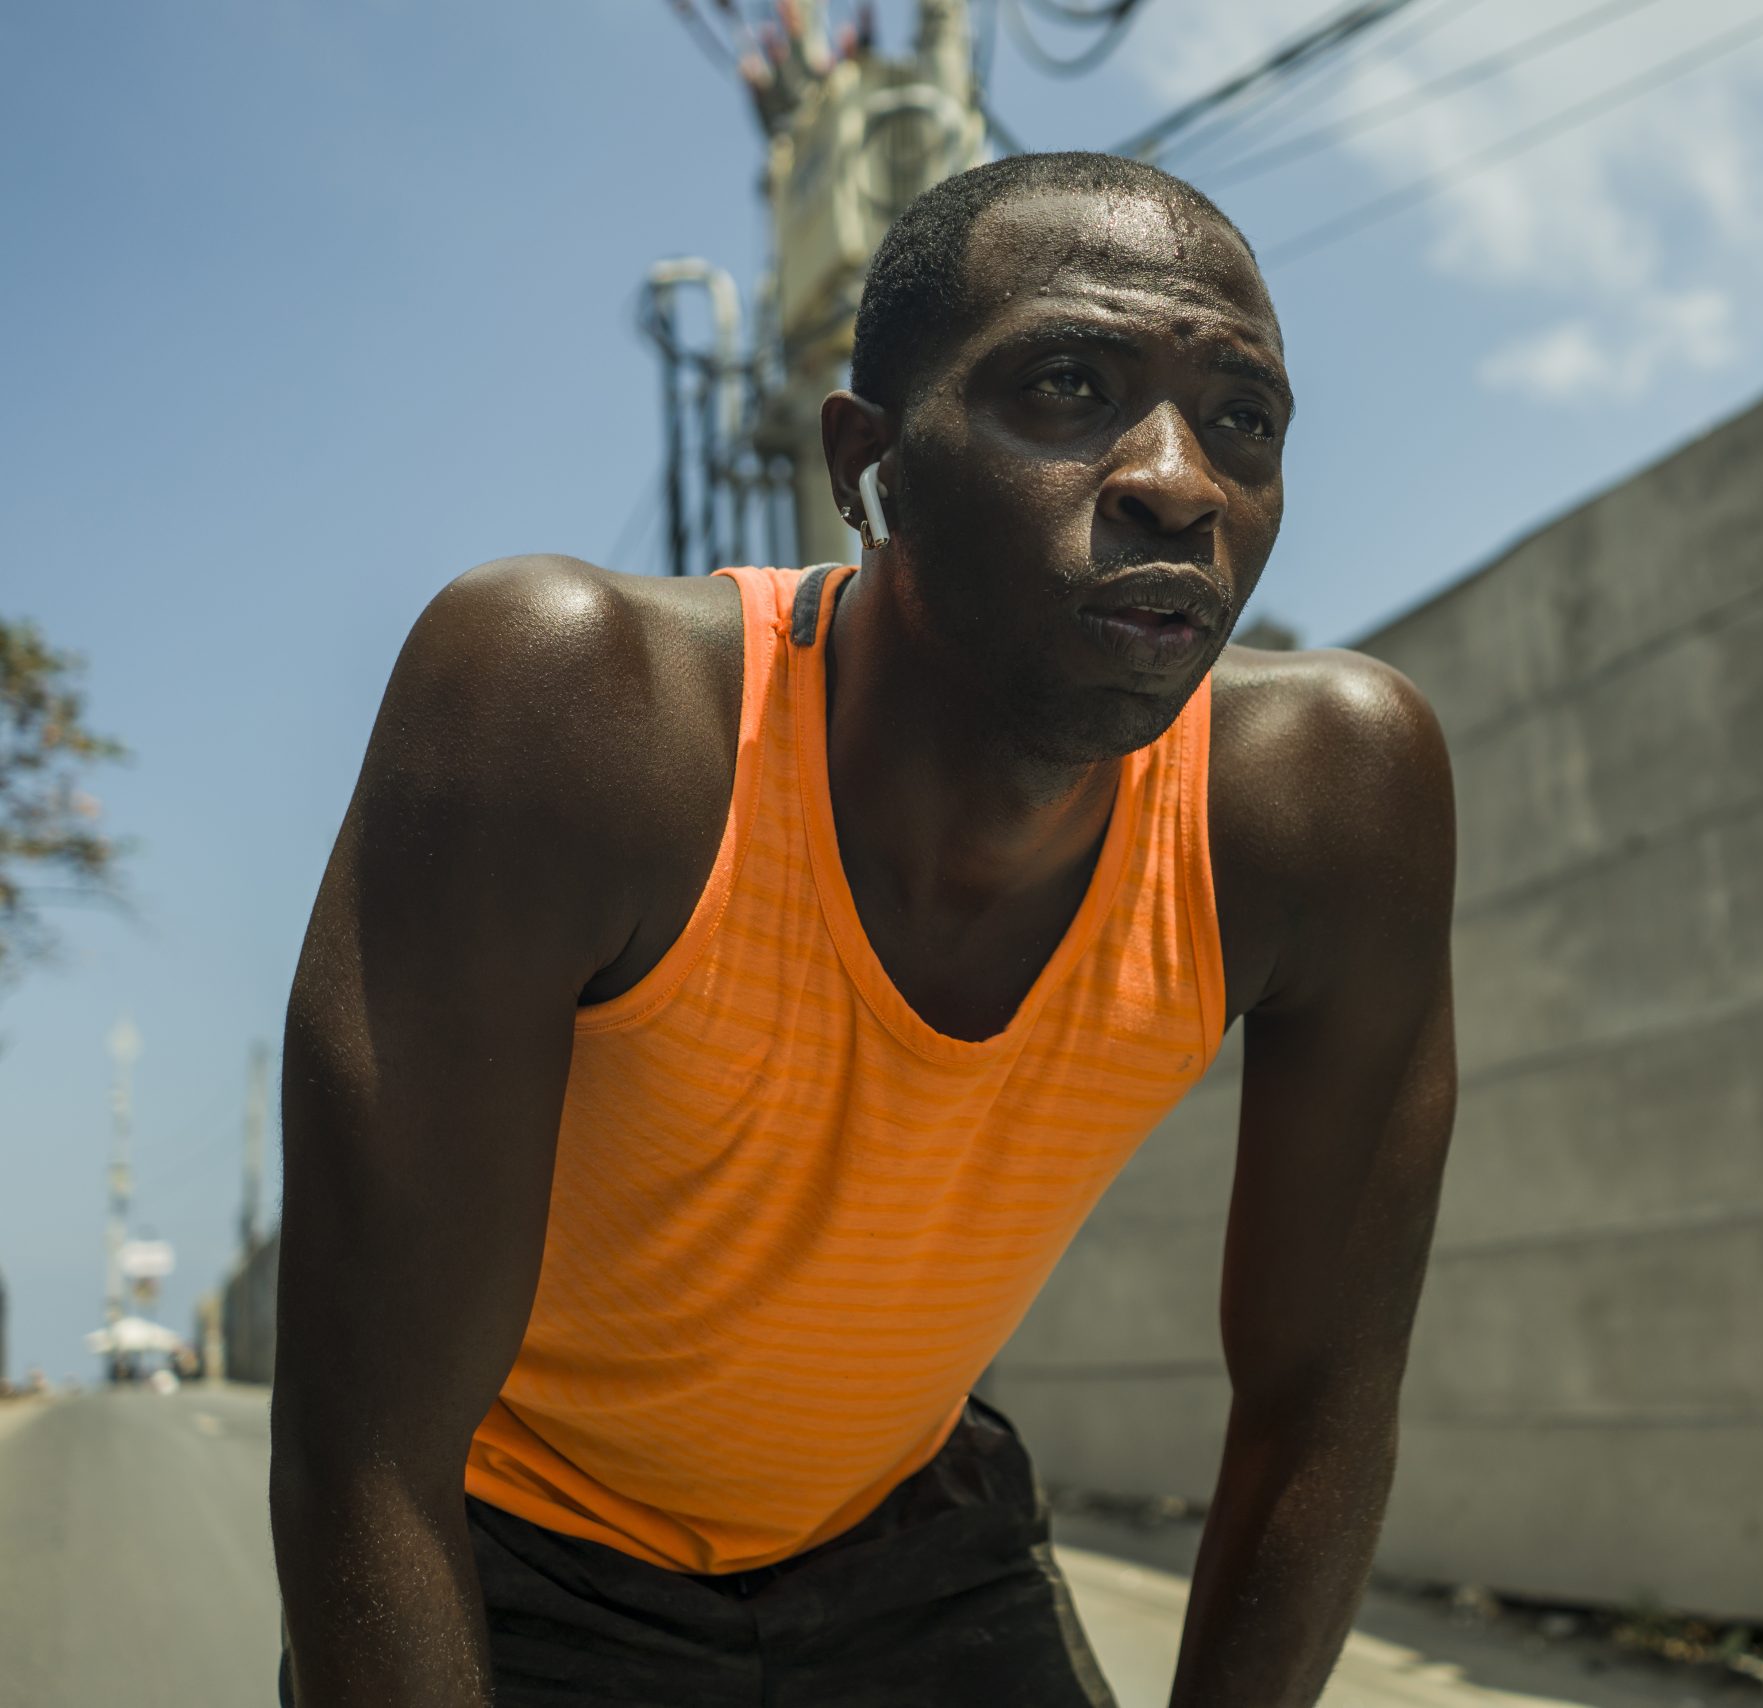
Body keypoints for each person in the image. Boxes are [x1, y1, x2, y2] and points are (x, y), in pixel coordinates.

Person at [269, 152, 1456, 1707]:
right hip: (508, 1559)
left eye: (1244, 421)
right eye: (1072, 385)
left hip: (915, 1543)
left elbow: (1319, 1408)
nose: (1179, 475)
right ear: (868, 462)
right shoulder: (570, 713)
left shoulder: (1325, 806)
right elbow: (365, 1459)